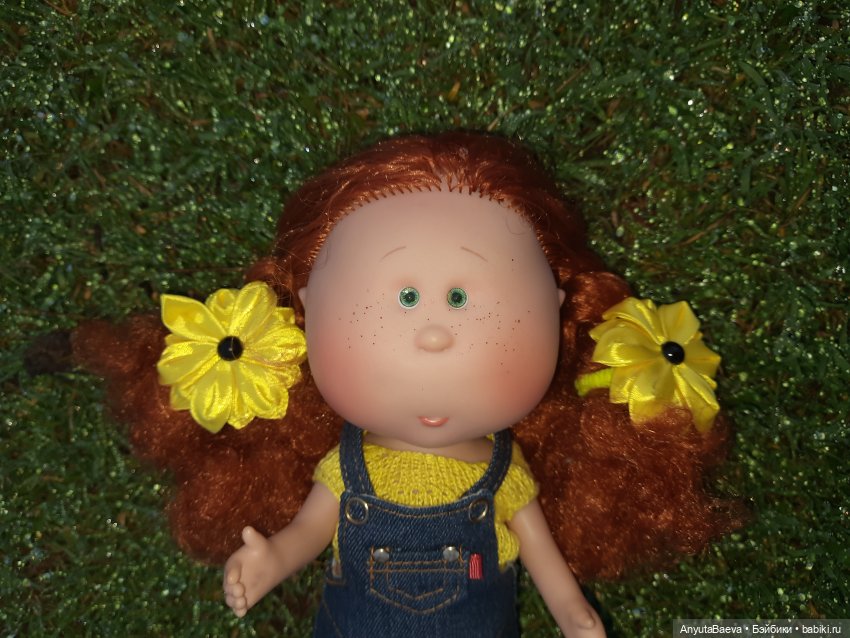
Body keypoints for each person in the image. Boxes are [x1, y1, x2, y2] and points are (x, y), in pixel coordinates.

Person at [73, 132, 738, 637]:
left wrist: (575, 615)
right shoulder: (345, 469)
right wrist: (272, 559)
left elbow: (547, 565)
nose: (434, 335)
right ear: (306, 312)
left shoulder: (507, 478)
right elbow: (311, 530)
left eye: (461, 298)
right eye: (406, 297)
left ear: (558, 313)